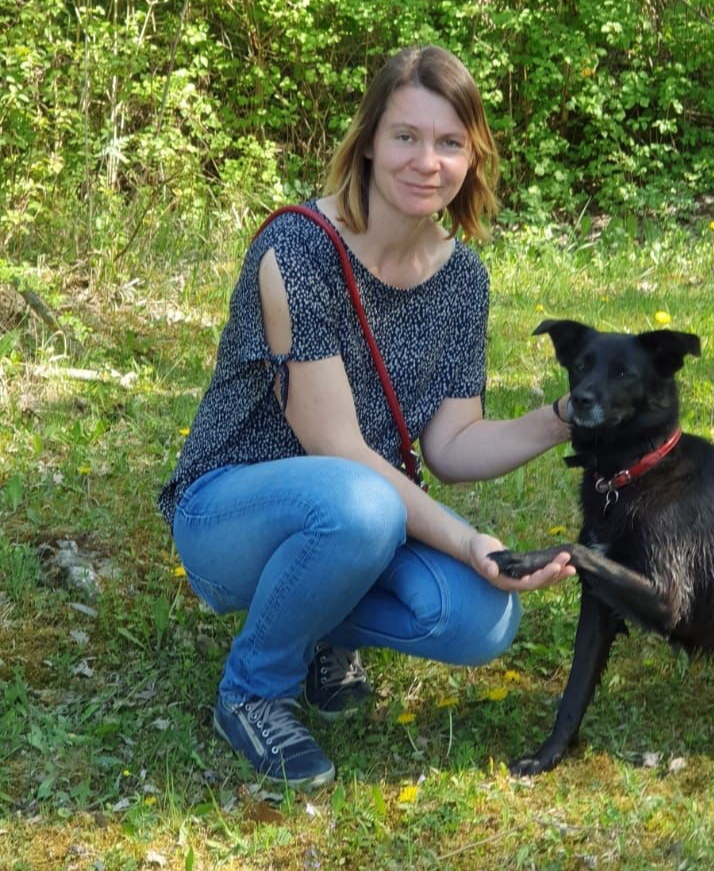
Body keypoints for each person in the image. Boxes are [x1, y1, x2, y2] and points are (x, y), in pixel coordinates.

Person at [157, 45, 575, 790]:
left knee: (481, 618)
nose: (427, 162)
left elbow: (451, 443)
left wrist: (566, 419)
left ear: (472, 157)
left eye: (450, 143)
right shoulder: (296, 251)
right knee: (361, 504)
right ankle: (254, 688)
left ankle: (314, 622)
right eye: (406, 137)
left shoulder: (463, 280)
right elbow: (339, 448)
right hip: (229, 512)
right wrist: (467, 536)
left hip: (360, 512)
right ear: (370, 142)